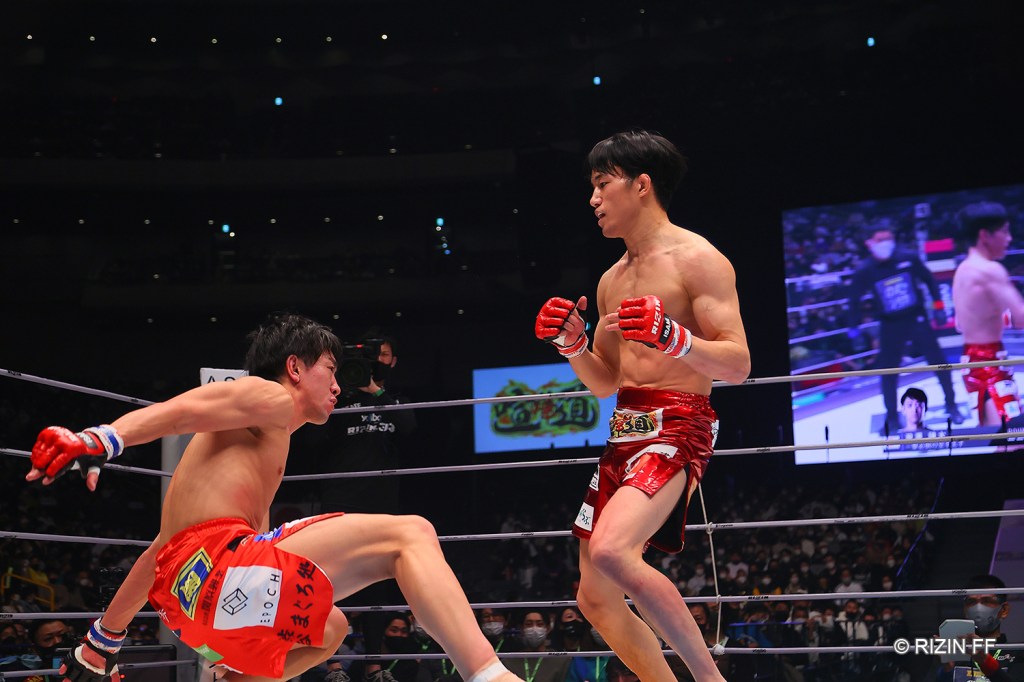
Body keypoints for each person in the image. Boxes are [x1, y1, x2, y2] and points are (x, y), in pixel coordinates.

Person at [25, 313, 521, 682]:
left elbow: (163, 551)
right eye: (331, 368)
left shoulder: (243, 465)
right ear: (295, 367)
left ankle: (239, 679)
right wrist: (101, 438)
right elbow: (184, 411)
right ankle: (489, 674)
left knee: (330, 627)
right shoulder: (271, 397)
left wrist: (103, 639)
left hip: (193, 609)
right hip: (221, 577)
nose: (338, 384)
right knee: (410, 533)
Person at [534, 130, 750, 681]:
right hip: (623, 430)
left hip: (679, 424)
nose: (593, 199)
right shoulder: (611, 280)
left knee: (611, 552)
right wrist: (572, 344)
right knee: (595, 596)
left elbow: (738, 363)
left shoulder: (698, 260)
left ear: (642, 184)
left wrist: (675, 337)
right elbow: (605, 382)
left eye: (603, 184)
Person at [845, 221, 963, 434]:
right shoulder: (866, 270)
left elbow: (929, 279)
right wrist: (853, 326)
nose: (886, 243)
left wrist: (938, 306)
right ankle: (892, 416)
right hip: (890, 324)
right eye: (881, 240)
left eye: (889, 238)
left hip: (916, 318)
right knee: (889, 372)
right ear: (869, 243)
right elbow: (854, 299)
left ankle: (952, 404)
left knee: (939, 363)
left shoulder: (907, 257)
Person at [952, 202, 1024, 426]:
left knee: (997, 435)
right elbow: (1022, 319)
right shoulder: (990, 270)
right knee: (1013, 438)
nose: (1009, 238)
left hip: (972, 359)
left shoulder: (963, 269)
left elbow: (962, 323)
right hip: (989, 363)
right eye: (1004, 231)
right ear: (985, 235)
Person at [932, 574, 1022, 681]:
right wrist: (947, 671)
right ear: (965, 610)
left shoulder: (1018, 653)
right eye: (972, 602)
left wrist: (986, 662)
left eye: (987, 601)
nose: (978, 608)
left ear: (1004, 610)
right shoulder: (952, 653)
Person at [503, 611, 568, 682]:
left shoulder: (561, 661)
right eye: (529, 624)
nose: (534, 628)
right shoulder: (508, 662)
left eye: (539, 624)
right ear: (522, 629)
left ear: (548, 628)